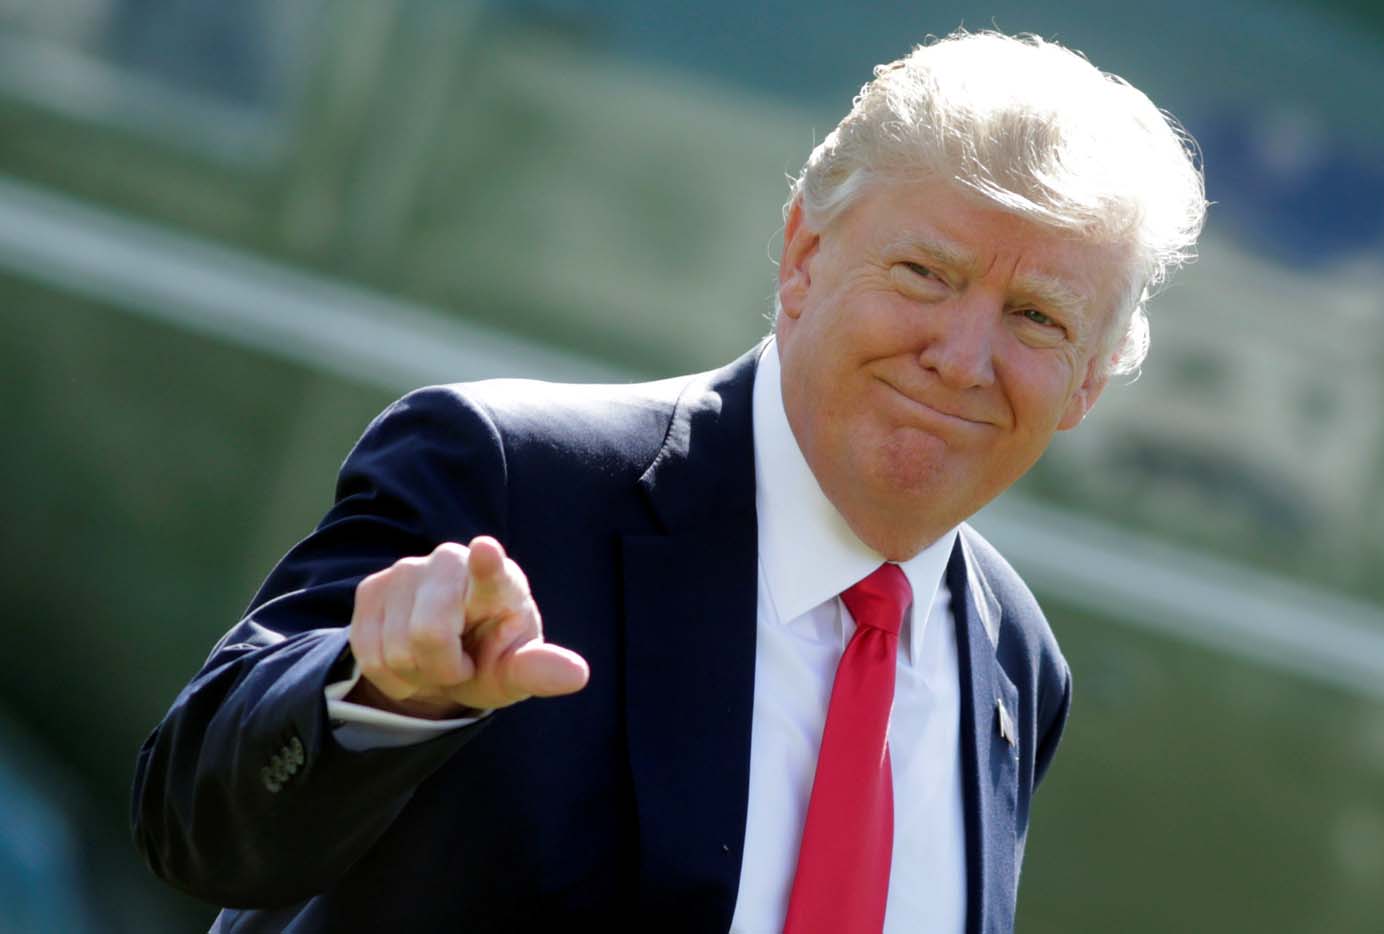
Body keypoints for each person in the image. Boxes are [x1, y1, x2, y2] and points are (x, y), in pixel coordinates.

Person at [133, 29, 1205, 933]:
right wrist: (382, 699)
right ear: (801, 257)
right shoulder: (515, 482)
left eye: (1037, 320)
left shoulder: (1013, 661)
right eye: (926, 273)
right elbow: (197, 823)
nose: (963, 356)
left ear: (1087, 384)